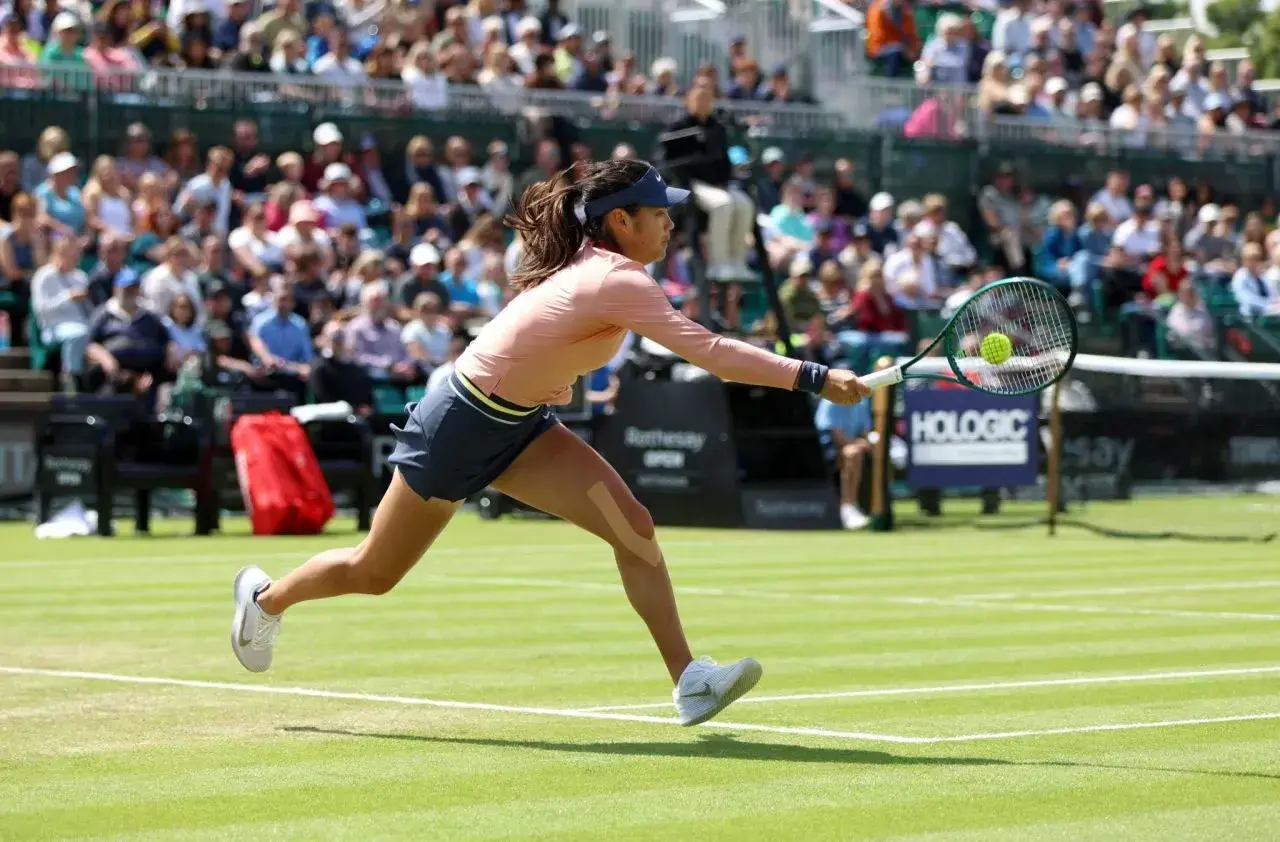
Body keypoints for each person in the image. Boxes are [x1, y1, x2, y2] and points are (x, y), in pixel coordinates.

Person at [228, 159, 870, 726]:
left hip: (524, 424)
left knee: (635, 529)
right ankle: (264, 599)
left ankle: (689, 681)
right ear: (620, 221)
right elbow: (712, 353)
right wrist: (813, 375)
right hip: (458, 423)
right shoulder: (618, 279)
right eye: (659, 214)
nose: (671, 225)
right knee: (375, 573)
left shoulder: (603, 267)